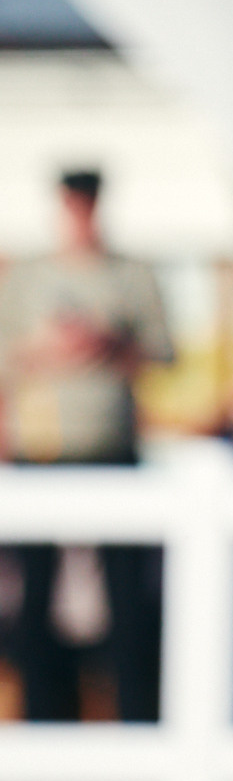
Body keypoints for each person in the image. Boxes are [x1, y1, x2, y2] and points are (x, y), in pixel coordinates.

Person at [0, 171, 172, 722]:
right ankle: (48, 727)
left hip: (110, 448)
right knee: (36, 603)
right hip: (43, 450)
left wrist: (107, 344)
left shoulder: (131, 276)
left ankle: (136, 725)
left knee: (128, 602)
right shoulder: (27, 278)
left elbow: (162, 354)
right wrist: (49, 350)